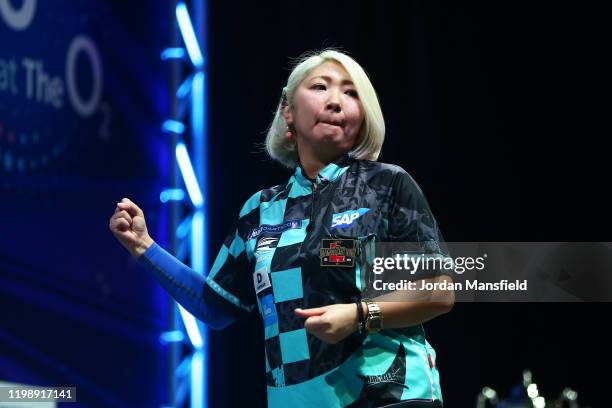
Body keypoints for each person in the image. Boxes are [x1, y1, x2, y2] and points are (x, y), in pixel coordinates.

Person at [109, 49, 455, 408]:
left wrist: (358, 316)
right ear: (288, 110)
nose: (336, 101)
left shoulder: (388, 185)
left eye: (351, 93)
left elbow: (439, 291)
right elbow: (215, 308)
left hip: (391, 395)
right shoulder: (259, 211)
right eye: (321, 87)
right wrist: (145, 248)